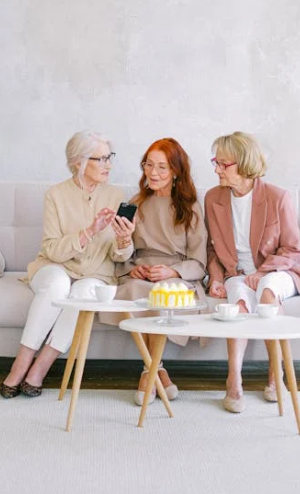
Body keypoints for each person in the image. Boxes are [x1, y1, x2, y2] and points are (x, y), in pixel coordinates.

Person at [0, 131, 135, 398]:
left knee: (83, 294)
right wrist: (89, 231)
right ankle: (20, 366)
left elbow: (120, 256)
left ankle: (40, 369)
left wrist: (124, 239)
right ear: (78, 162)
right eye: (101, 159)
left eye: (109, 157)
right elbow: (51, 248)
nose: (108, 165)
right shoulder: (56, 195)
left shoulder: (116, 195)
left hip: (96, 273)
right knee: (58, 284)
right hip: (54, 266)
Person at [205, 131, 300, 413]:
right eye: (215, 162)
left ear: (244, 163)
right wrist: (216, 279)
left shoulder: (277, 197)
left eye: (223, 164)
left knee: (267, 290)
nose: (217, 169)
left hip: (280, 269)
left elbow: (291, 249)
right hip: (238, 273)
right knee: (238, 303)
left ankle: (275, 374)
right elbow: (211, 249)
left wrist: (263, 270)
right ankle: (234, 380)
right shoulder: (213, 198)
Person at [113, 138, 207, 406]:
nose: (152, 173)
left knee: (165, 293)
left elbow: (199, 262)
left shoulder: (190, 207)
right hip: (142, 273)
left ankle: (149, 372)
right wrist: (135, 268)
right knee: (135, 289)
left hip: (177, 275)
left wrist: (173, 272)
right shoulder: (135, 203)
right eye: (148, 165)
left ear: (176, 171)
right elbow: (124, 255)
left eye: (162, 167)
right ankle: (158, 371)